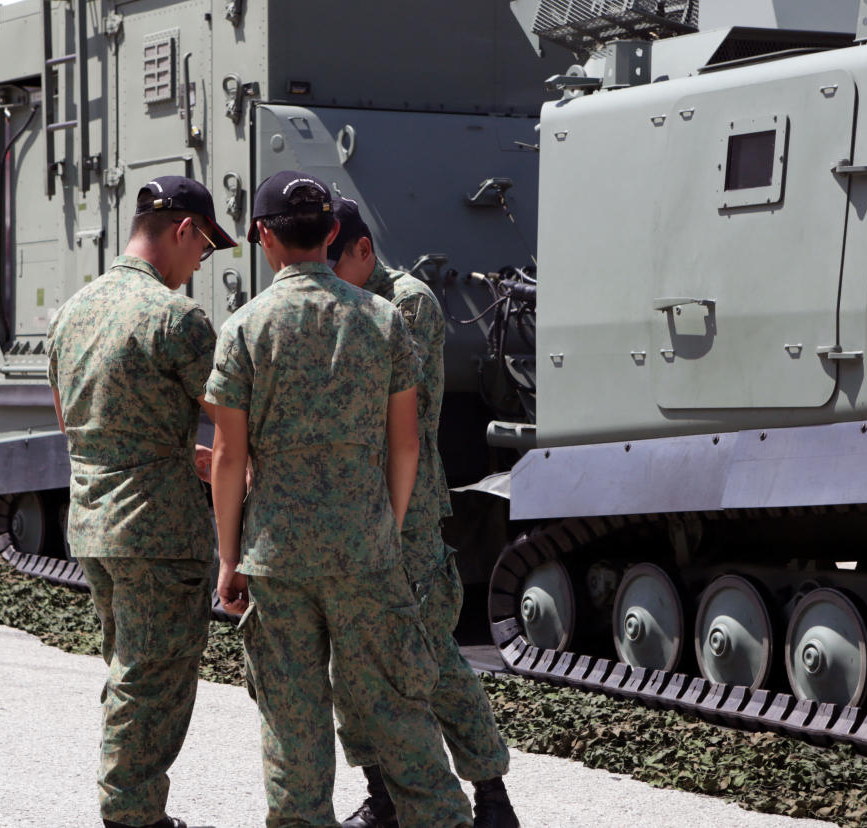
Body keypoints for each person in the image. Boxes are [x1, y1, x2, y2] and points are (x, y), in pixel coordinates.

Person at [206, 170, 473, 827]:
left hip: (279, 558)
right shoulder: (384, 320)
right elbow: (406, 446)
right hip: (367, 553)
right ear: (332, 234)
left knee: (293, 725)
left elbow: (229, 457)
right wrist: (384, 526)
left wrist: (228, 560)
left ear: (263, 236)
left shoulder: (243, 328)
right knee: (397, 705)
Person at [46, 175, 237, 828]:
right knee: (151, 687)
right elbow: (232, 424)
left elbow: (79, 426)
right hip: (159, 537)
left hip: (94, 527)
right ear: (184, 230)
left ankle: (139, 813)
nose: (199, 266)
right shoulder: (175, 319)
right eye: (205, 249)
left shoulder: (74, 313)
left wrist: (172, 452)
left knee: (130, 675)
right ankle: (131, 819)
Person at [327, 197, 518, 828]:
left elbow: (400, 420)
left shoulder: (405, 303)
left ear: (362, 250)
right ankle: (382, 795)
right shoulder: (337, 299)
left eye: (334, 263)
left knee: (429, 655)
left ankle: (491, 793)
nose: (323, 277)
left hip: (403, 510)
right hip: (350, 509)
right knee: (352, 661)